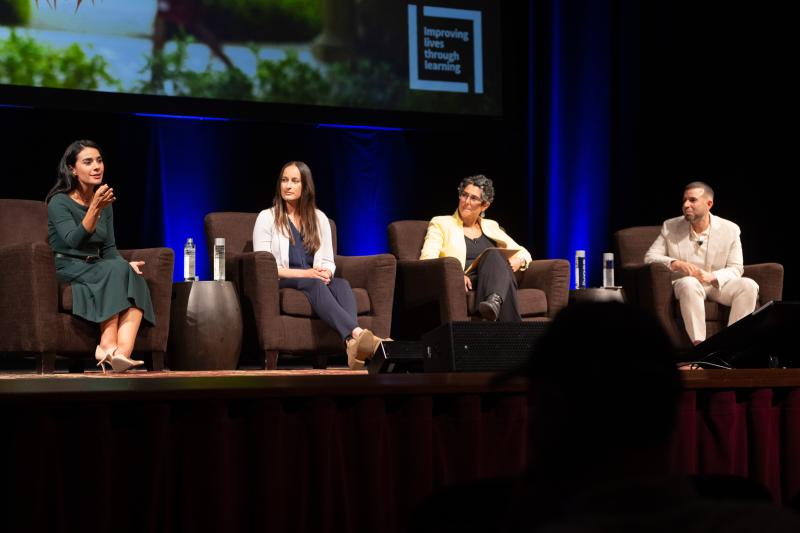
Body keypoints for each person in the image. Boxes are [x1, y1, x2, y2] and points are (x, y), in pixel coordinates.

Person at [252, 161, 386, 369]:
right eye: (284, 180)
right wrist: (307, 274)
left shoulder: (319, 218)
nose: (288, 186)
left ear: (305, 187)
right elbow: (265, 269)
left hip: (312, 279)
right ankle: (358, 334)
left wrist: (326, 273)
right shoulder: (267, 218)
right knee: (314, 284)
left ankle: (351, 344)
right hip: (282, 281)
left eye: (295, 181)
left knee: (341, 284)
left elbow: (328, 261)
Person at [46, 140, 154, 373]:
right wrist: (94, 207)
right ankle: (106, 345)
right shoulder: (59, 202)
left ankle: (121, 355)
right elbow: (73, 240)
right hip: (67, 265)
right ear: (73, 169)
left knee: (134, 277)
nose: (97, 167)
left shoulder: (104, 202)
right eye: (88, 162)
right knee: (114, 270)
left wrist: (126, 266)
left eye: (99, 160)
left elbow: (110, 250)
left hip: (97, 265)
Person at [645, 181, 759, 345]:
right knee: (690, 283)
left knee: (748, 285)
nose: (686, 205)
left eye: (692, 200)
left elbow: (736, 268)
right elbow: (650, 257)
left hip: (715, 284)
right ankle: (700, 347)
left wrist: (712, 276)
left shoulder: (730, 229)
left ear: (709, 204)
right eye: (684, 200)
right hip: (685, 284)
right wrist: (676, 263)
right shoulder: (670, 226)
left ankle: (732, 347)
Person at [419, 175, 532, 321]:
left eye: (473, 198)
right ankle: (513, 331)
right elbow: (427, 260)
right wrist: (455, 275)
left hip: (492, 277)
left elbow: (523, 251)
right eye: (464, 195)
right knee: (497, 261)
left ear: (484, 205)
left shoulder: (491, 225)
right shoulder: (441, 223)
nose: (466, 202)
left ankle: (494, 301)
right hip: (468, 280)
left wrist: (520, 261)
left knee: (495, 257)